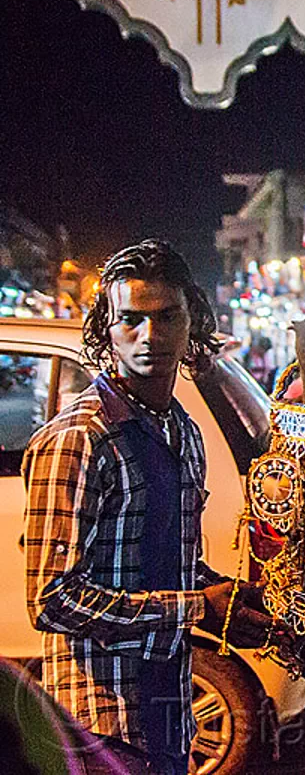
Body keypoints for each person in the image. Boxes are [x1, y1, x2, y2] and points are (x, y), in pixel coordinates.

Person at [23, 240, 273, 775]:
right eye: (130, 320)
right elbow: (51, 602)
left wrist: (227, 602)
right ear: (105, 329)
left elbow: (171, 568)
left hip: (171, 715)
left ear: (193, 321)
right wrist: (196, 606)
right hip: (98, 726)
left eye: (167, 316)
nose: (150, 336)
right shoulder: (79, 439)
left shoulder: (182, 430)